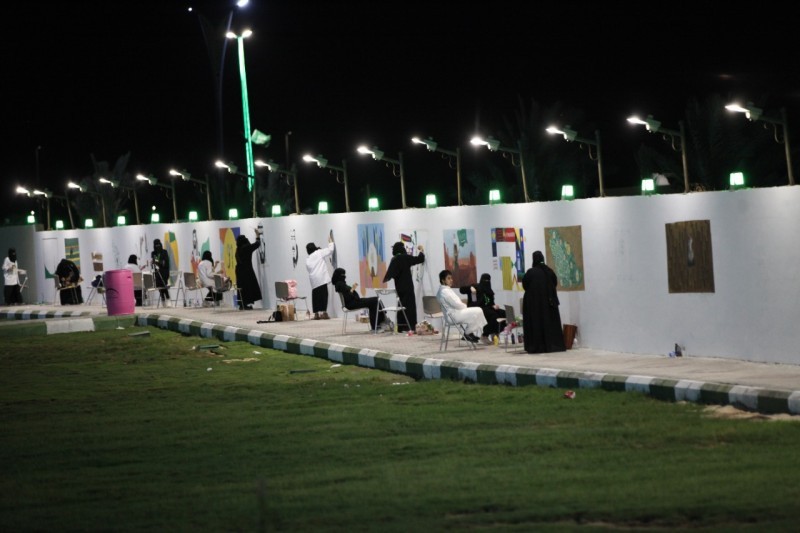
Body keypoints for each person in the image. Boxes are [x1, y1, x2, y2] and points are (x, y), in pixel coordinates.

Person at [522, 250, 566, 353]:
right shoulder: (549, 271)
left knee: (536, 324)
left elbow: (525, 285)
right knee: (549, 324)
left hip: (534, 305)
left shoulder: (531, 272)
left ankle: (537, 346)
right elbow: (554, 283)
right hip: (549, 305)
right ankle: (552, 346)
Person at [437, 269, 489, 344]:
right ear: (443, 280)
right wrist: (465, 307)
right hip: (453, 315)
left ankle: (469, 332)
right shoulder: (445, 292)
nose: (451, 280)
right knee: (478, 311)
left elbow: (456, 304)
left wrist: (464, 307)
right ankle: (468, 332)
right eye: (448, 278)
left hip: (454, 313)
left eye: (451, 278)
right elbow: (456, 304)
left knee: (477, 312)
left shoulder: (444, 290)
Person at [383, 242, 425, 332]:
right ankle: (411, 327)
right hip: (408, 287)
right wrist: (421, 251)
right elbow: (419, 259)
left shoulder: (394, 259)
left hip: (399, 288)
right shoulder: (405, 258)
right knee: (410, 307)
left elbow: (390, 275)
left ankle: (401, 327)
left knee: (401, 307)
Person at [459, 273, 506, 339]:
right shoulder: (475, 286)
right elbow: (461, 289)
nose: (486, 282)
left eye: (488, 280)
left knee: (504, 314)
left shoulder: (489, 291)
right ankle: (485, 334)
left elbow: (491, 302)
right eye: (485, 280)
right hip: (478, 308)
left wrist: (494, 305)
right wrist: (470, 287)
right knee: (494, 316)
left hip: (489, 308)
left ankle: (495, 331)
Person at [305, 237, 335, 319]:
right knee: (324, 296)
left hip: (314, 280)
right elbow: (330, 250)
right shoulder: (319, 252)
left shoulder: (308, 259)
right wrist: (331, 242)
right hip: (322, 278)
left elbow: (308, 268)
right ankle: (324, 313)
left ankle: (316, 314)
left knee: (315, 297)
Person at [235, 230, 262, 310]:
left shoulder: (238, 249)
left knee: (241, 287)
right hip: (246, 270)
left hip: (239, 270)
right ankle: (245, 304)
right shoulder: (246, 248)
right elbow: (257, 244)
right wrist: (257, 235)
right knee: (247, 287)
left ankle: (242, 304)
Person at [151, 238, 170, 305]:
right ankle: (163, 299)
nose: (158, 246)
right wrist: (158, 262)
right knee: (159, 286)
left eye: (158, 244)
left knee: (164, 285)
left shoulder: (164, 252)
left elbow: (165, 263)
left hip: (165, 272)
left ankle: (167, 298)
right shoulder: (153, 253)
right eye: (156, 245)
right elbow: (154, 262)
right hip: (157, 272)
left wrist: (157, 262)